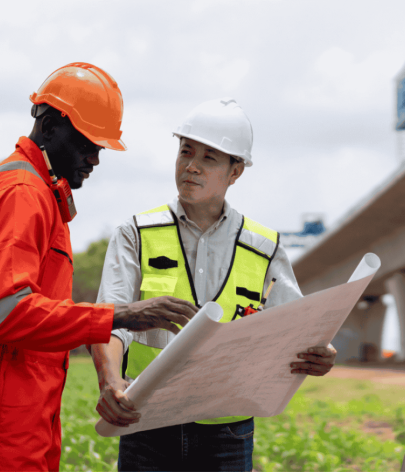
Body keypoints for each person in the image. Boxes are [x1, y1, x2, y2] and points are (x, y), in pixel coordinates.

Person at [0, 63, 199, 471]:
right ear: (53, 126)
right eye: (88, 143)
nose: (95, 158)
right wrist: (124, 314)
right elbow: (4, 314)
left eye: (100, 148)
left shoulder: (40, 194)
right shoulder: (21, 194)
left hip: (18, 413)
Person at [90, 98, 337, 471]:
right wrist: (109, 378)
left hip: (227, 431)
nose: (191, 166)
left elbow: (296, 327)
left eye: (209, 157)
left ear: (235, 171)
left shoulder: (264, 247)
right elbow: (109, 318)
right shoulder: (136, 234)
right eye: (185, 152)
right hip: (147, 422)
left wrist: (321, 352)